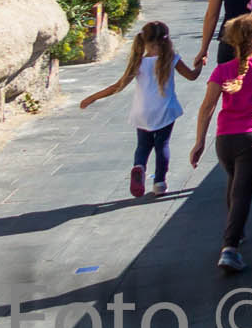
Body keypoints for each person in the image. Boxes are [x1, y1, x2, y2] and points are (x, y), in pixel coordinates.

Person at [190, 14, 252, 274]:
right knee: (242, 193)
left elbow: (207, 107)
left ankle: (238, 231)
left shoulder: (222, 71)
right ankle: (230, 248)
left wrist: (200, 142)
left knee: (234, 185)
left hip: (225, 141)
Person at [78, 20, 202, 197]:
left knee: (143, 146)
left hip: (141, 111)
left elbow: (118, 86)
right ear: (166, 40)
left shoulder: (138, 62)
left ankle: (139, 167)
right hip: (165, 110)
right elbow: (191, 76)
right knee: (162, 145)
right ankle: (159, 182)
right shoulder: (172, 58)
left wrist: (92, 98)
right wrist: (199, 64)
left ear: (143, 40)